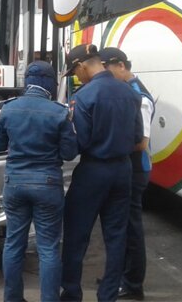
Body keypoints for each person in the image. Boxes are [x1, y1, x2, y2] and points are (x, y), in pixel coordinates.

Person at [60, 44, 144, 302]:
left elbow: (79, 144)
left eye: (75, 73)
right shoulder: (129, 93)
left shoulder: (84, 97)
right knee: (116, 236)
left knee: (76, 234)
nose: (77, 78)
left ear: (81, 66)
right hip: (123, 170)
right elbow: (138, 137)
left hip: (93, 171)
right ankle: (108, 295)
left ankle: (72, 294)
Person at [0, 61, 79, 302]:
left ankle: (12, 298)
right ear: (50, 83)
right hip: (47, 183)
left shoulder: (8, 109)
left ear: (26, 81)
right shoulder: (60, 112)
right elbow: (70, 153)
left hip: (15, 183)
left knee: (13, 244)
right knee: (49, 248)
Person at [100, 47, 155, 301]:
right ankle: (118, 275)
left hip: (136, 169)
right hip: (126, 167)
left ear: (121, 65)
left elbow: (142, 142)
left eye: (108, 70)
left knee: (132, 229)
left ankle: (133, 283)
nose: (107, 77)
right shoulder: (127, 91)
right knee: (120, 224)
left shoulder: (139, 96)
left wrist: (110, 145)